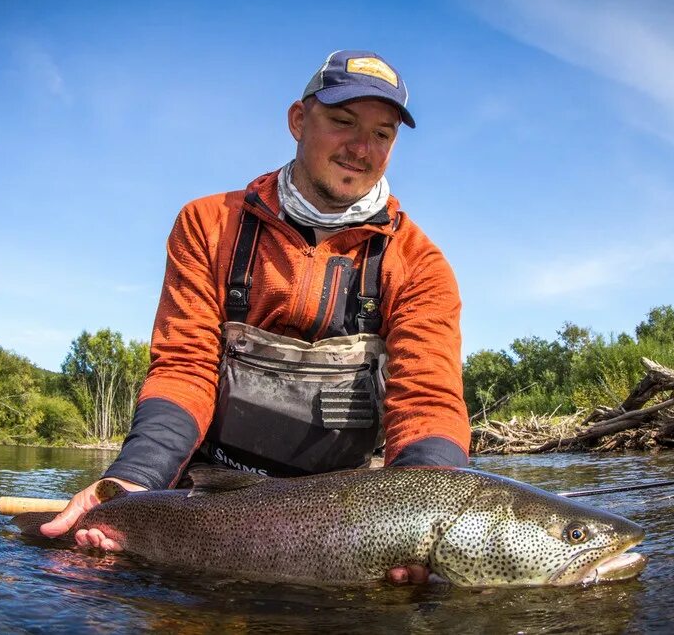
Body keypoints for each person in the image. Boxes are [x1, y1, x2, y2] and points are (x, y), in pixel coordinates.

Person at [42, 50, 471, 584]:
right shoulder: (207, 224)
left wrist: (423, 519)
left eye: (382, 134)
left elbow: (427, 400)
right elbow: (183, 368)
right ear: (297, 119)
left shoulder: (422, 266)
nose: (362, 149)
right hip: (204, 501)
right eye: (343, 122)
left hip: (341, 523)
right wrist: (133, 481)